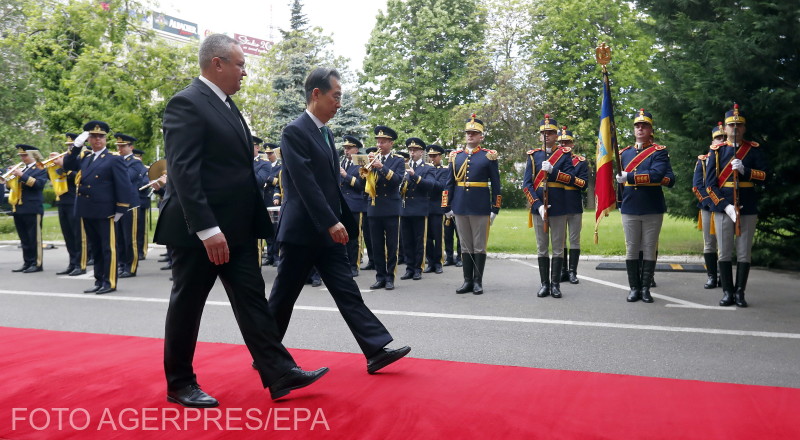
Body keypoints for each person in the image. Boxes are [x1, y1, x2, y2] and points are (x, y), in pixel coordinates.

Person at [155, 34, 328, 407]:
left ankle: (279, 372)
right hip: (201, 230)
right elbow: (184, 172)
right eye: (240, 64)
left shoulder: (228, 106)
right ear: (217, 63)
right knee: (188, 303)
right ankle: (180, 382)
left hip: (236, 228)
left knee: (252, 300)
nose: (245, 72)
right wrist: (207, 229)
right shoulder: (187, 103)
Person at [267, 67, 410, 375]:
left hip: (327, 230)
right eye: (336, 97)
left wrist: (336, 221)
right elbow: (305, 183)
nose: (339, 104)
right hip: (304, 231)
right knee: (283, 297)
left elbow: (330, 183)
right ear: (316, 94)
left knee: (346, 290)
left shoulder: (324, 131)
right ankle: (265, 352)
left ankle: (375, 349)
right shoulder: (295, 131)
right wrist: (331, 221)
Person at [705, 104, 768, 308]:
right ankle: (727, 292)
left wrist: (745, 171)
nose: (736, 128)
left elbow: (765, 175)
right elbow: (709, 186)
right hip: (725, 208)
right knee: (723, 252)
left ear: (744, 128)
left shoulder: (754, 149)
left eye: (739, 125)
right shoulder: (716, 152)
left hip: (747, 206)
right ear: (725, 129)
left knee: (743, 252)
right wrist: (725, 206)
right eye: (732, 125)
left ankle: (740, 292)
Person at [63, 121, 132, 294]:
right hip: (87, 209)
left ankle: (109, 282)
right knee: (96, 248)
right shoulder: (86, 157)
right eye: (93, 136)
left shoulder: (114, 159)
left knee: (108, 248)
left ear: (105, 138)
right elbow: (68, 165)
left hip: (105, 210)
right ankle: (99, 280)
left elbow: (123, 186)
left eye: (100, 136)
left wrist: (121, 209)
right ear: (88, 139)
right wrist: (77, 146)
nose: (97, 140)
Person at [616, 109, 674, 304]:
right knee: (632, 248)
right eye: (637, 126)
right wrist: (619, 201)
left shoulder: (659, 152)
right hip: (630, 206)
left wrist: (630, 177)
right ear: (634, 130)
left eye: (645, 125)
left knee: (649, 248)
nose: (640, 128)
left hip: (652, 206)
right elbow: (617, 182)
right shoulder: (624, 153)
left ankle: (646, 288)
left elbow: (658, 175)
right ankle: (634, 288)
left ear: (651, 130)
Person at [443, 114, 502, 295]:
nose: (470, 136)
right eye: (468, 133)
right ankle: (467, 281)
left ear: (481, 136)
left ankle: (478, 281)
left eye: (474, 133)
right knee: (465, 245)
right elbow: (449, 183)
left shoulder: (488, 156)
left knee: (479, 245)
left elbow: (496, 184)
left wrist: (495, 208)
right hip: (460, 206)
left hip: (480, 206)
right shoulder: (455, 157)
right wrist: (446, 206)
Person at [522, 116, 576, 299]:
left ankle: (555, 285)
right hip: (540, 208)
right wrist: (538, 206)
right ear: (540, 136)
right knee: (542, 247)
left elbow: (571, 178)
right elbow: (527, 185)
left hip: (560, 206)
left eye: (550, 133)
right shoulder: (533, 155)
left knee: (558, 247)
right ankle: (544, 284)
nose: (547, 136)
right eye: (544, 133)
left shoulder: (565, 154)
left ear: (556, 135)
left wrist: (554, 172)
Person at [364, 125, 405, 290]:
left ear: (391, 143)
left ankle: (390, 278)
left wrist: (381, 167)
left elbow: (397, 181)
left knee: (392, 245)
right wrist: (367, 169)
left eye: (383, 142)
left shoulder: (398, 160)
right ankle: (380, 276)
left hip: (390, 207)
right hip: (374, 207)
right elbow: (362, 183)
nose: (379, 145)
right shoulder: (372, 160)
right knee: (376, 244)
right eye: (378, 142)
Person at [5, 144, 48, 273]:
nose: (22, 158)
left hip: (33, 207)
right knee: (24, 238)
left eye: (25, 155)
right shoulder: (22, 168)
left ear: (32, 155)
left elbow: (38, 185)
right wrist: (9, 178)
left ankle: (37, 263)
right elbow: (10, 188)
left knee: (34, 237)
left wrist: (21, 175)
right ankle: (27, 262)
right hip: (18, 207)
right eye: (21, 156)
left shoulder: (40, 167)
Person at [692, 122, 725, 289]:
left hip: (725, 208)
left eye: (724, 137)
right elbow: (697, 186)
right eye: (718, 138)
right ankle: (712, 276)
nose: (721, 140)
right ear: (712, 142)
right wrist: (711, 202)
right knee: (709, 243)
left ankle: (724, 278)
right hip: (707, 207)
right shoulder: (703, 161)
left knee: (724, 244)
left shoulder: (729, 160)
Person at [49, 134, 86, 276]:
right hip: (62, 200)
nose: (69, 148)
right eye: (68, 146)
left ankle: (80, 264)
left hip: (75, 200)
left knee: (78, 235)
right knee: (68, 235)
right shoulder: (68, 159)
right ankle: (72, 263)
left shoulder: (83, 158)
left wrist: (64, 166)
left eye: (72, 145)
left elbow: (79, 176)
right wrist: (53, 166)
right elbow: (52, 177)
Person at [556, 126, 587, 284]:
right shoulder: (554, 159)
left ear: (572, 144)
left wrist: (568, 178)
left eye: (566, 142)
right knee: (560, 240)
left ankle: (573, 271)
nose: (563, 145)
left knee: (574, 239)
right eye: (561, 143)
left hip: (574, 204)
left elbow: (584, 184)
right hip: (559, 204)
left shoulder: (580, 162)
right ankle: (562, 271)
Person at [400, 138, 434, 280]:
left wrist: (415, 176)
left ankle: (418, 268)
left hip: (419, 208)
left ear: (421, 152)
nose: (412, 152)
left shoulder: (428, 168)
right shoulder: (404, 167)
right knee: (406, 240)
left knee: (419, 240)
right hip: (405, 208)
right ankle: (409, 268)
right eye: (410, 150)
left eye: (415, 150)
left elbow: (430, 185)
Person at [114, 133, 147, 278]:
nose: (120, 149)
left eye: (123, 146)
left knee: (130, 238)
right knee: (119, 237)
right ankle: (122, 264)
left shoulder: (135, 162)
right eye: (118, 146)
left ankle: (131, 266)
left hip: (130, 204)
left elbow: (126, 178)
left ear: (131, 147)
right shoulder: (117, 161)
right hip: (117, 205)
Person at [339, 135, 368, 277]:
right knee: (341, 237)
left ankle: (354, 265)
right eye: (345, 148)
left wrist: (346, 176)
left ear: (356, 149)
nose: (346, 151)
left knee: (354, 238)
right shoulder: (342, 162)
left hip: (355, 205)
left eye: (349, 148)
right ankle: (343, 265)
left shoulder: (361, 164)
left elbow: (362, 186)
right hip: (342, 205)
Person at [423, 144, 448, 274]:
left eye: (435, 156)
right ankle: (430, 262)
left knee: (438, 237)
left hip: (437, 208)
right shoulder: (425, 169)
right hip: (425, 207)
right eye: (430, 156)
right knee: (426, 238)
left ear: (440, 156)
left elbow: (441, 186)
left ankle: (438, 262)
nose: (432, 159)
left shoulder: (444, 170)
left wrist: (426, 183)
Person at [442, 148, 462, 268]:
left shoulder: (459, 170)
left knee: (460, 235)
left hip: (459, 205)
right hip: (449, 206)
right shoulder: (445, 170)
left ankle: (460, 257)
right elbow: (446, 190)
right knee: (448, 234)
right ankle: (449, 257)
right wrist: (445, 207)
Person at [263, 142, 281, 266]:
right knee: (268, 229)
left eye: (270, 153)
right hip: (265, 200)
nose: (268, 156)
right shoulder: (265, 165)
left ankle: (276, 256)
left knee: (275, 229)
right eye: (267, 153)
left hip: (274, 200)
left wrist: (268, 178)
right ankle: (269, 255)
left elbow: (279, 181)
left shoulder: (280, 165)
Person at [131, 148, 150, 261]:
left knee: (141, 228)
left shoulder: (145, 169)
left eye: (138, 157)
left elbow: (145, 182)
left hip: (142, 201)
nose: (136, 159)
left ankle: (142, 250)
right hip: (133, 201)